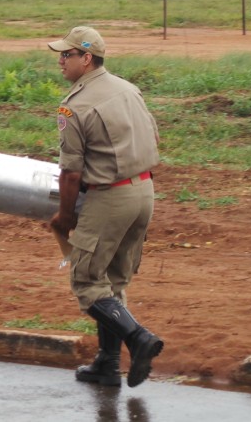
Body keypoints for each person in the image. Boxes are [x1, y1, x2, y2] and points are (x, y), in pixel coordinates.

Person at [46, 26, 163, 388]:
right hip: (143, 191)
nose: (60, 60)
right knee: (112, 281)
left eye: (67, 54)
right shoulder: (129, 89)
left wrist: (65, 217)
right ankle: (108, 365)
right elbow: (155, 137)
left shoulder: (74, 106)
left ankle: (139, 338)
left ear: (87, 58)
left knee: (86, 281)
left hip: (109, 197)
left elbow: (70, 173)